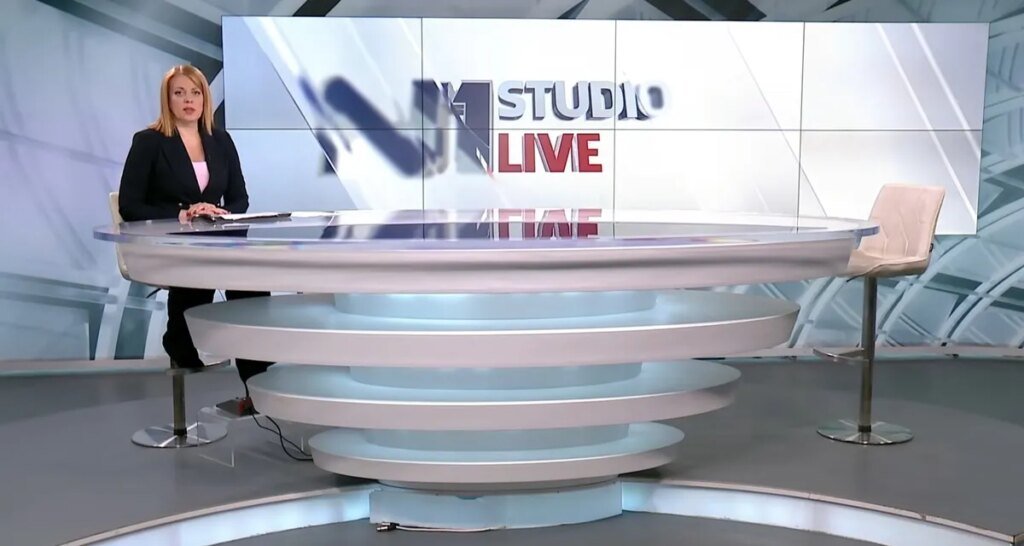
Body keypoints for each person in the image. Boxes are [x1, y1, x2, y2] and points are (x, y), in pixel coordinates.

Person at [118, 64, 272, 412]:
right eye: (179, 93)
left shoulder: (221, 140)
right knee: (201, 272)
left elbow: (240, 199)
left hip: (213, 238)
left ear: (205, 98)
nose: (188, 100)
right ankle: (181, 337)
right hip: (169, 241)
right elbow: (130, 204)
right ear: (167, 100)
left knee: (250, 282)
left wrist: (217, 211)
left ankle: (257, 384)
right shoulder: (149, 142)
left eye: (195, 92)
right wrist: (181, 213)